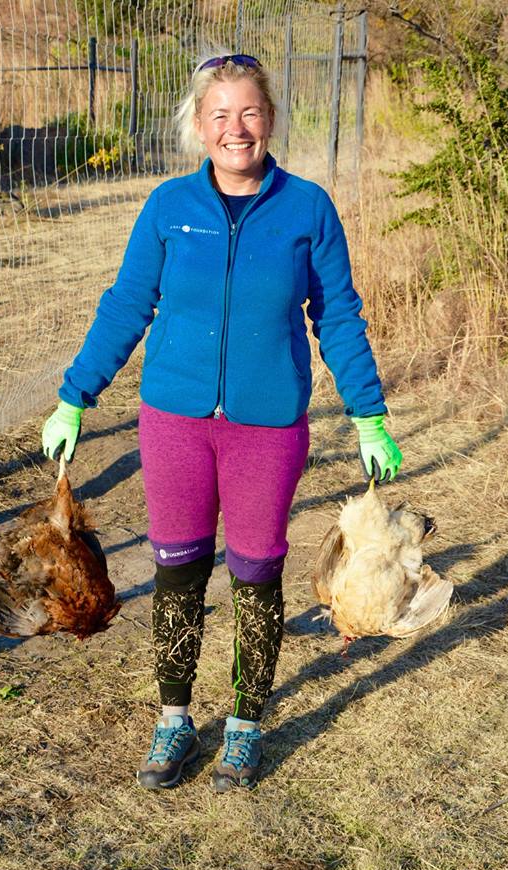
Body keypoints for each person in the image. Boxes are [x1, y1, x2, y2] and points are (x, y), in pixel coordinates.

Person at [42, 53, 402, 793]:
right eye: (220, 115)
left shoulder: (307, 209)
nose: (235, 128)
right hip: (175, 422)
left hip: (266, 429)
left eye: (248, 113)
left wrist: (369, 413)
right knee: (176, 570)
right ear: (199, 128)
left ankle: (243, 727)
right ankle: (173, 721)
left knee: (255, 573)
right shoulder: (168, 207)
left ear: (268, 119)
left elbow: (337, 314)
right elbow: (126, 304)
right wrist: (77, 395)